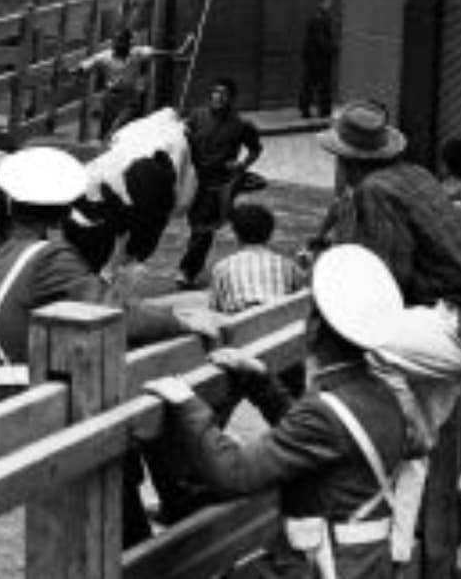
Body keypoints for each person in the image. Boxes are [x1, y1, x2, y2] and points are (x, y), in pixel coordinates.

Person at [0, 146, 221, 545]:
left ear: (12, 202)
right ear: (63, 209)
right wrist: (181, 319)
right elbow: (111, 311)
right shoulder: (52, 257)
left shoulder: (7, 251)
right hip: (56, 407)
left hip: (19, 396)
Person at [145, 244, 408, 579]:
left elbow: (233, 473)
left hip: (324, 566)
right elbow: (309, 436)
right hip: (365, 562)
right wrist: (261, 382)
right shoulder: (377, 392)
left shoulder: (325, 413)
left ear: (314, 328)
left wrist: (187, 404)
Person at [315, 101, 461, 563]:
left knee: (373, 344)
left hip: (453, 322)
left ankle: (413, 432)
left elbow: (386, 282)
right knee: (415, 458)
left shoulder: (374, 193)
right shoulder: (418, 176)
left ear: (346, 160)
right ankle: (399, 553)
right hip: (448, 320)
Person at [177, 78, 262, 289]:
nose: (217, 96)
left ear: (231, 98)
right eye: (215, 92)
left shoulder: (241, 125)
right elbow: (181, 136)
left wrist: (241, 165)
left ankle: (188, 271)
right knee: (196, 225)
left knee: (203, 229)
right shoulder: (197, 116)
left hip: (219, 183)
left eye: (223, 93)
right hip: (194, 180)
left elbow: (256, 149)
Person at [76, 28, 192, 140]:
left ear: (129, 42)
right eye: (116, 41)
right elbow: (85, 66)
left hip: (129, 99)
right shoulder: (105, 56)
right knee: (106, 131)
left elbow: (158, 54)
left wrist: (181, 50)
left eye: (121, 41)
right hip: (111, 98)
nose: (117, 44)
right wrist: (73, 71)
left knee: (118, 128)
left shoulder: (137, 53)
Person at [208, 202, 305, 315]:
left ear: (236, 234)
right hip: (280, 326)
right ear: (269, 234)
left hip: (239, 325)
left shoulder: (222, 267)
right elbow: (299, 300)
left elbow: (215, 310)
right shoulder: (289, 266)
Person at [299, 0, 337, 120]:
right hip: (318, 58)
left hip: (314, 57)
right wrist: (333, 49)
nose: (331, 4)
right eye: (328, 1)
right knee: (318, 85)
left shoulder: (321, 16)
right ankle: (321, 110)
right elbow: (321, 40)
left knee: (310, 84)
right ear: (321, 2)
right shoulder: (319, 18)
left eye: (331, 1)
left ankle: (309, 110)